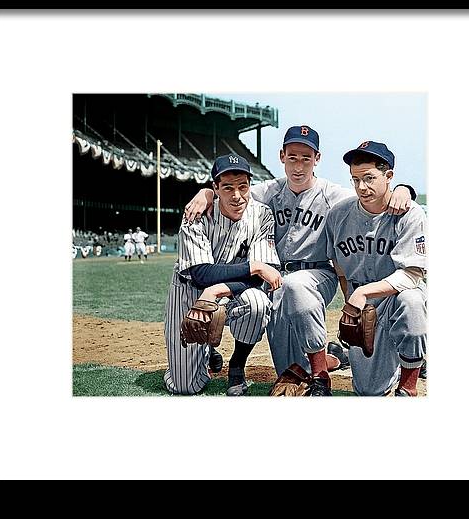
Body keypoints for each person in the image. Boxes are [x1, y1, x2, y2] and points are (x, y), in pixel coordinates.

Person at [184, 125, 416, 396]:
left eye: (306, 158)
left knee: (294, 291)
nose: (299, 165)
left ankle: (322, 374)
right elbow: (234, 190)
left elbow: (372, 194)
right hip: (273, 278)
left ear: (317, 159)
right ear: (282, 156)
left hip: (317, 274)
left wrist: (404, 188)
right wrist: (206, 192)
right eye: (292, 157)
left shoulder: (333, 195)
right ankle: (333, 359)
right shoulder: (267, 191)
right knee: (291, 368)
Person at [163, 154, 282, 396]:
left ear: (250, 185)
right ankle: (204, 353)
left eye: (243, 187)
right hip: (190, 290)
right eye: (227, 188)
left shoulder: (262, 214)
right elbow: (200, 274)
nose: (237, 196)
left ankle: (237, 366)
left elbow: (263, 278)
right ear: (215, 188)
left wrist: (218, 290)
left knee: (258, 303)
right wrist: (254, 266)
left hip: (233, 289)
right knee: (185, 387)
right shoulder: (195, 214)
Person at [326, 141, 427, 396]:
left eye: (369, 178)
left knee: (412, 301)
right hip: (363, 305)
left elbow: (413, 274)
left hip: (394, 296)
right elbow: (339, 268)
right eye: (356, 179)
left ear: (389, 176)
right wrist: (351, 305)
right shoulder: (338, 215)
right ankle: (350, 357)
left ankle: (409, 385)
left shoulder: (410, 214)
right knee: (370, 392)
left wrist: (363, 293)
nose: (362, 187)